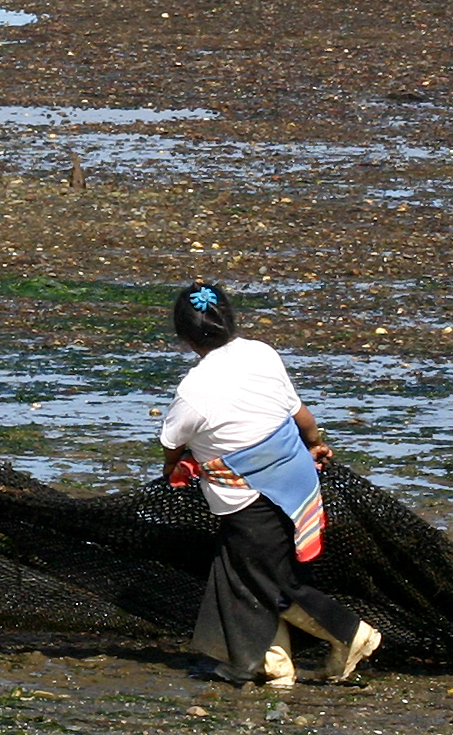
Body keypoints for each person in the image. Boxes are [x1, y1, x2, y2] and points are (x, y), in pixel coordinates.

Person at [158, 280, 381, 686]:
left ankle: (351, 634)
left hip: (250, 496)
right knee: (245, 570)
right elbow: (301, 416)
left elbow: (172, 447)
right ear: (229, 320)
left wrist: (174, 469)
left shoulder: (193, 391)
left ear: (187, 340)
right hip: (297, 481)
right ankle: (274, 664)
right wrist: (315, 445)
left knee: (266, 581)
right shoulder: (261, 352)